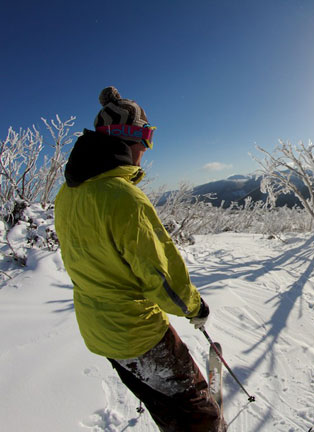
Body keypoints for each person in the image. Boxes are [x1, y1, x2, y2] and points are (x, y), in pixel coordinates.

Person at [55, 87, 225, 432]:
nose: (147, 149)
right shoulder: (123, 197)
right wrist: (195, 308)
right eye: (147, 136)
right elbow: (162, 278)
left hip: (98, 330)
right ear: (130, 137)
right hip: (137, 332)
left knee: (161, 401)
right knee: (198, 414)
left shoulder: (68, 193)